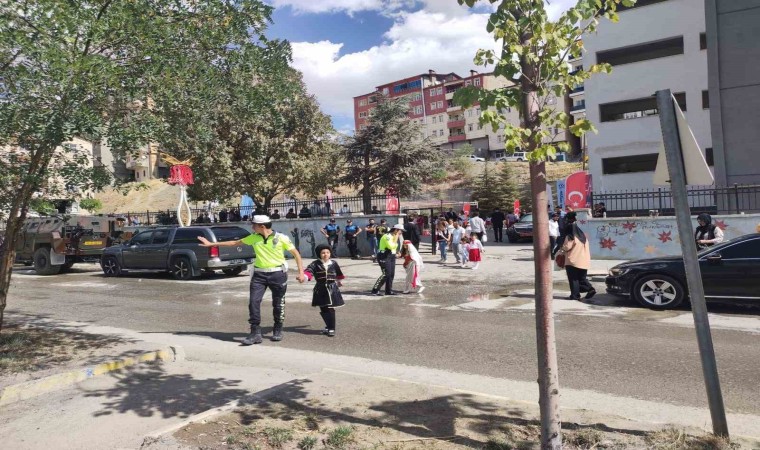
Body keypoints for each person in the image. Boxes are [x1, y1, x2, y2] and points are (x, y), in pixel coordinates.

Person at [197, 215, 305, 345]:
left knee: (278, 303)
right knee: (253, 302)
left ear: (262, 226)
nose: (252, 227)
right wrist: (211, 244)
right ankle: (255, 333)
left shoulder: (281, 238)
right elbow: (234, 243)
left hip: (277, 274)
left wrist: (301, 273)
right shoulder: (254, 237)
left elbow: (296, 254)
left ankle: (278, 329)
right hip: (259, 275)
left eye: (253, 225)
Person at [303, 244, 345, 337]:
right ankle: (328, 326)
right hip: (320, 289)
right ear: (319, 254)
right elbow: (308, 271)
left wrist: (339, 281)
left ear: (330, 253)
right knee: (323, 307)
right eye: (323, 253)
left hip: (332, 289)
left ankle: (331, 328)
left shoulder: (334, 263)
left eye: (327, 252)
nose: (325, 254)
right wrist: (305, 276)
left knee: (330, 308)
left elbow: (338, 273)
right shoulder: (315, 264)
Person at [560, 212, 595, 301]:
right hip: (584, 261)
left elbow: (567, 247)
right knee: (582, 278)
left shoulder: (570, 237)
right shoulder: (583, 238)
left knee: (573, 279)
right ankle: (590, 289)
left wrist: (561, 249)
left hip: (573, 261)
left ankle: (576, 295)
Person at [371, 224, 403, 296]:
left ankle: (388, 290)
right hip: (384, 256)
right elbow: (390, 246)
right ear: (396, 230)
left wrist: (397, 252)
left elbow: (394, 247)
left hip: (391, 256)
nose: (401, 233)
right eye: (400, 231)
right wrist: (396, 240)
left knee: (391, 274)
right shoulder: (387, 236)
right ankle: (375, 290)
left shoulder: (394, 236)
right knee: (386, 274)